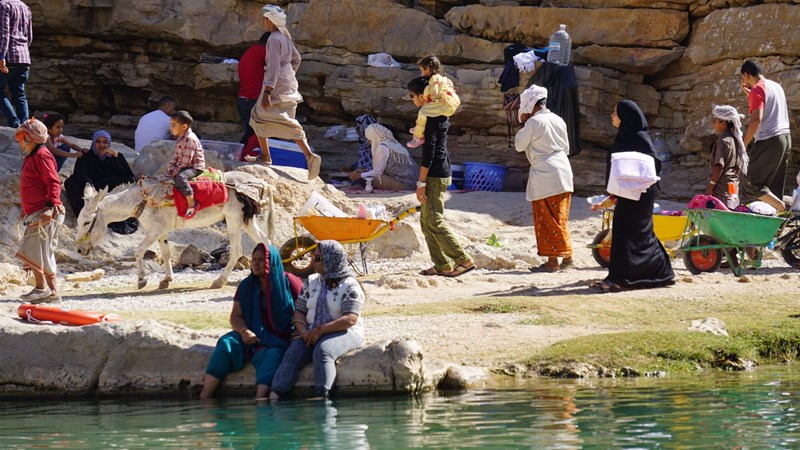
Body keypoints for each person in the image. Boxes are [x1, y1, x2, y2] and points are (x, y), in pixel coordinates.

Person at [590, 100, 674, 292]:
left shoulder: (638, 138)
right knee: (633, 232)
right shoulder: (626, 137)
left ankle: (620, 278)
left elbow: (655, 166)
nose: (612, 116)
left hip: (640, 194)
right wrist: (612, 197)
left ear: (625, 117)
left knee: (628, 232)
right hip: (628, 193)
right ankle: (659, 272)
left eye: (615, 112)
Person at [200, 243, 302, 400]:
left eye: (261, 259)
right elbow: (236, 316)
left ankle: (260, 400)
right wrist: (244, 331)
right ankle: (205, 397)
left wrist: (298, 330)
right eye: (254, 259)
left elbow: (304, 310)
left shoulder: (290, 282)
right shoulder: (246, 286)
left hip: (278, 338)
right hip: (249, 334)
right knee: (226, 344)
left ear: (272, 261)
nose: (255, 263)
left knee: (273, 355)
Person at [269, 240, 365, 400]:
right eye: (312, 257)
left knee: (323, 350)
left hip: (345, 332)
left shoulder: (349, 285)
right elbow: (299, 311)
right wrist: (304, 331)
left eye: (317, 258)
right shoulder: (312, 282)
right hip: (312, 331)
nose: (312, 262)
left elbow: (350, 319)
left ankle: (323, 397)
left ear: (331, 260)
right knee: (293, 353)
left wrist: (321, 330)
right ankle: (275, 395)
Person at [409, 76, 475, 278]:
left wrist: (421, 182)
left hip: (435, 175)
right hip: (437, 173)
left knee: (435, 220)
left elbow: (430, 153)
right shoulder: (436, 115)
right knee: (425, 221)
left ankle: (463, 259)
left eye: (413, 96)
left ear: (422, 96)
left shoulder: (432, 118)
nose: (412, 100)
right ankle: (442, 264)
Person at [249, 4, 321, 180]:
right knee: (284, 119)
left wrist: (268, 90)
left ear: (271, 20)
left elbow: (273, 66)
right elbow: (296, 59)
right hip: (289, 83)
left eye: (265, 18)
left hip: (276, 84)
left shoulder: (274, 39)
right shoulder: (285, 37)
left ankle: (269, 157)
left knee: (257, 116)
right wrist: (288, 74)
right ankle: (304, 156)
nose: (263, 21)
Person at [515, 85, 574, 272]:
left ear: (530, 104)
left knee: (546, 217)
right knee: (560, 217)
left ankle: (553, 262)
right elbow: (566, 148)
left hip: (545, 173)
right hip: (563, 169)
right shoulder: (558, 119)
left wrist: (524, 122)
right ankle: (566, 257)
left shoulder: (534, 123)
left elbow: (519, 145)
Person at [15, 118, 64, 303]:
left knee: (35, 250)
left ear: (32, 138)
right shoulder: (32, 156)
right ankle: (50, 292)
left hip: (46, 212)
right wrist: (25, 209)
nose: (20, 141)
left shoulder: (42, 155)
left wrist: (50, 207)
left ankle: (43, 289)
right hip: (35, 211)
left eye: (23, 137)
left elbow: (53, 182)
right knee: (39, 251)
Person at [739, 60, 791, 212]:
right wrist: (750, 94)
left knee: (751, 184)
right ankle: (777, 225)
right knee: (773, 186)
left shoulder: (757, 89)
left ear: (747, 75)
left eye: (743, 78)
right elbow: (768, 104)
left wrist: (744, 143)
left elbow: (756, 119)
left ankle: (783, 208)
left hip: (770, 140)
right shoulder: (775, 86)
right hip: (785, 138)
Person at [64, 130, 139, 234]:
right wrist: (90, 185)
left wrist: (116, 155)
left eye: (105, 142)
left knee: (129, 180)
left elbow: (127, 174)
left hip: (109, 188)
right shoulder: (86, 156)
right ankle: (87, 216)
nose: (101, 145)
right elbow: (81, 174)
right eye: (98, 141)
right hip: (92, 188)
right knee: (71, 182)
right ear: (93, 143)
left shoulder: (113, 156)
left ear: (109, 144)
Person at [407, 55, 460, 149]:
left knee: (423, 111)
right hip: (452, 104)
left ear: (427, 69)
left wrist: (427, 97)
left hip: (444, 103)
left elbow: (435, 93)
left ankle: (418, 136)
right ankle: (419, 126)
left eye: (422, 71)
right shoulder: (444, 79)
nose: (422, 74)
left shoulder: (434, 80)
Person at [348, 123, 419, 190]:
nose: (368, 142)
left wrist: (360, 175)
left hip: (405, 183)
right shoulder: (393, 144)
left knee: (365, 179)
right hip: (414, 181)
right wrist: (363, 172)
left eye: (369, 139)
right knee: (364, 174)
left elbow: (377, 173)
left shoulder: (383, 147)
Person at [706, 105, 748, 209]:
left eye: (714, 121)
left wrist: (711, 186)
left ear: (723, 123)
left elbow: (719, 165)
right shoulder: (736, 140)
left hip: (722, 189)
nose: (712, 123)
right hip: (733, 185)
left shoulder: (723, 141)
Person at [167, 110, 205, 217]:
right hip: (184, 165)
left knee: (180, 178)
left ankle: (192, 203)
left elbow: (185, 162)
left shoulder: (190, 139)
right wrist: (170, 167)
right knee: (171, 175)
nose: (171, 128)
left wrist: (175, 171)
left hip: (194, 167)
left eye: (173, 125)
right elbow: (176, 156)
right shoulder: (181, 138)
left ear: (184, 127)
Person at [0, 0, 31, 128]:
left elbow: (4, 33)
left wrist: (2, 55)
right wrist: (22, 51)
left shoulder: (4, 5)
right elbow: (29, 36)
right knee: (20, 95)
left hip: (8, 57)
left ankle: (15, 123)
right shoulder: (26, 7)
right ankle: (26, 126)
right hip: (24, 58)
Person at [237, 32, 270, 144]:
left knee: (251, 134)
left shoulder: (251, 51)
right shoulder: (263, 51)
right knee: (260, 134)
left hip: (243, 99)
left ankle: (240, 153)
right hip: (252, 100)